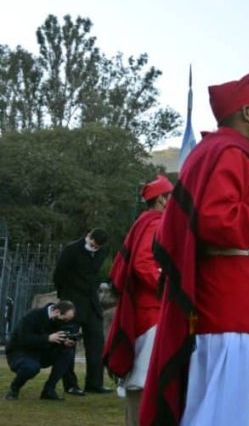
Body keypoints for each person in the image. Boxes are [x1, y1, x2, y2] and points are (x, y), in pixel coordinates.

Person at [139, 72, 249, 426]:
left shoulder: (220, 153)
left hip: (229, 304)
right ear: (246, 114)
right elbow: (218, 222)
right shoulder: (228, 153)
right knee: (220, 414)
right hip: (230, 304)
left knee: (216, 410)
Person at [103, 174, 173, 425]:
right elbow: (144, 263)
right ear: (162, 200)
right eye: (171, 196)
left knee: (145, 378)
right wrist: (171, 291)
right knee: (144, 379)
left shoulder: (145, 222)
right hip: (151, 312)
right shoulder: (155, 223)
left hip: (146, 310)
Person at [53, 227, 111, 393]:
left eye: (96, 247)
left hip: (91, 303)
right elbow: (59, 274)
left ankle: (94, 383)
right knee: (69, 342)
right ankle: (70, 385)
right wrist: (65, 299)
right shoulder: (72, 250)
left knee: (96, 343)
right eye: (92, 245)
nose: (93, 249)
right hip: (73, 300)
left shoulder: (101, 252)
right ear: (88, 237)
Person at [5, 300, 77, 400]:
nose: (65, 322)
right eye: (64, 319)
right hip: (20, 353)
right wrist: (47, 338)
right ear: (56, 312)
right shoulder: (32, 316)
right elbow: (24, 339)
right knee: (31, 367)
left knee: (67, 353)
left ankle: (49, 389)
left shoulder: (57, 320)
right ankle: (14, 388)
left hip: (41, 352)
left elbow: (55, 342)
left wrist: (64, 343)